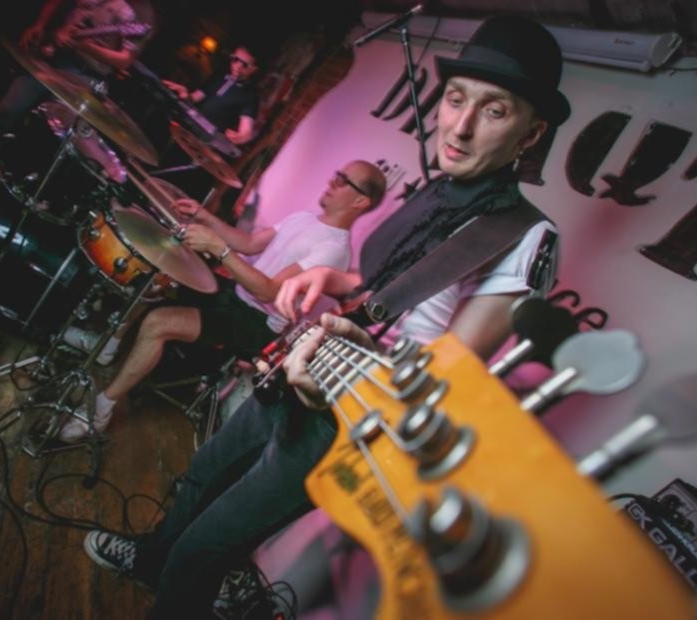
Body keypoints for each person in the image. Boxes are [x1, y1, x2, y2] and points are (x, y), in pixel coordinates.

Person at [80, 15, 569, 618]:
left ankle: (170, 578)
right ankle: (149, 558)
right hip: (304, 364)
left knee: (205, 550)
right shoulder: (438, 190)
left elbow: (443, 375)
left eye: (494, 111)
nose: (461, 126)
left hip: (347, 418)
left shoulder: (525, 234)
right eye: (455, 99)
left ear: (530, 133)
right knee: (204, 471)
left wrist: (347, 360)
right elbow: (387, 287)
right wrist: (329, 280)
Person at [56, 160, 387, 441]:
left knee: (158, 323)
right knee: (158, 276)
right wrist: (205, 217)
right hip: (237, 295)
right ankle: (107, 346)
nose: (333, 181)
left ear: (360, 201)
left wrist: (219, 249)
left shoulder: (333, 250)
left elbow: (270, 292)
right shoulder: (304, 218)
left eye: (343, 180)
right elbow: (250, 244)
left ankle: (100, 411)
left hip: (257, 323)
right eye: (337, 174)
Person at [0, 0, 156, 182]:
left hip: (86, 73)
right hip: (52, 52)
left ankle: (25, 177)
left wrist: (83, 47)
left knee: (54, 127)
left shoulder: (142, 11)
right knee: (8, 107)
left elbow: (124, 60)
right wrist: (40, 24)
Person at [162, 44, 262, 146]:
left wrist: (242, 136)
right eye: (235, 59)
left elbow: (246, 131)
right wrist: (186, 94)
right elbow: (195, 98)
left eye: (245, 65)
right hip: (188, 125)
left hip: (206, 141)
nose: (238, 66)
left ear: (253, 70)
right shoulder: (219, 75)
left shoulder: (250, 95)